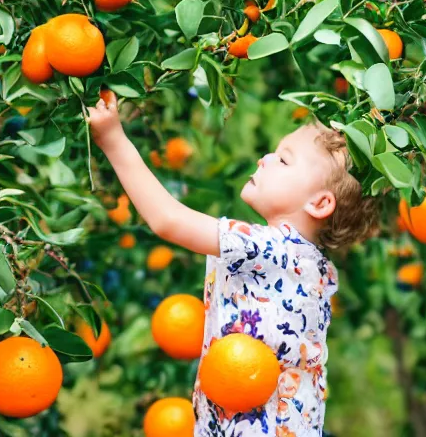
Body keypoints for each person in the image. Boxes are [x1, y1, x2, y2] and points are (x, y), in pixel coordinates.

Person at [87, 98, 379, 436]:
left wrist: (113, 139)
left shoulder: (266, 247)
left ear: (319, 203)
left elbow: (167, 220)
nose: (265, 159)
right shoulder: (320, 271)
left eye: (283, 159)